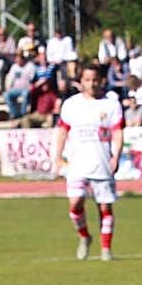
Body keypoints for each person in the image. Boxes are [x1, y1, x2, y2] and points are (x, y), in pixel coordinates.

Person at [52, 63, 124, 261]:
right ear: (80, 82)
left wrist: (116, 155)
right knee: (75, 204)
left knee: (105, 208)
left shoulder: (111, 104)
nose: (91, 83)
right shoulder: (71, 104)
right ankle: (84, 236)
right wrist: (57, 157)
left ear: (101, 80)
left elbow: (117, 132)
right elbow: (62, 131)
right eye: (87, 80)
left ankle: (106, 249)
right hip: (77, 164)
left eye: (94, 79)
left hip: (102, 162)